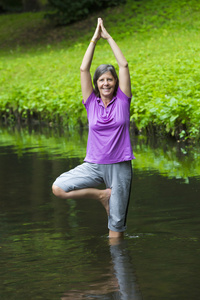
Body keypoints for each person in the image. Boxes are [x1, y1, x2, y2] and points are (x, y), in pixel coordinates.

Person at [52, 18, 135, 238]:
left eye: (109, 80)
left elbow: (124, 66)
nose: (105, 83)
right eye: (101, 80)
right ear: (96, 84)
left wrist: (108, 38)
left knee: (115, 232)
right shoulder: (91, 103)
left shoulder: (123, 101)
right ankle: (101, 196)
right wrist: (94, 40)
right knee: (58, 187)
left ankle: (116, 271)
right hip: (94, 164)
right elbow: (83, 69)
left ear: (115, 83)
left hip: (119, 168)